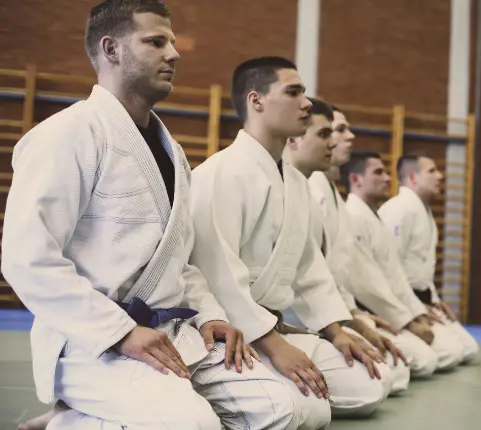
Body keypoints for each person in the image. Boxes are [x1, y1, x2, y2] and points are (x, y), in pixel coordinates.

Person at [2, 2, 299, 429]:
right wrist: (120, 332)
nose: (174, 54)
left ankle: (80, 419)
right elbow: (26, 259)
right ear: (111, 49)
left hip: (173, 336)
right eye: (156, 42)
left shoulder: (171, 152)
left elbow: (181, 263)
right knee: (192, 425)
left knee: (288, 409)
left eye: (173, 43)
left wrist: (210, 315)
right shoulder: (65, 135)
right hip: (94, 344)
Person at [188, 56, 386, 429]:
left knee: (370, 385)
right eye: (293, 92)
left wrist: (334, 329)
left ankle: (260, 389)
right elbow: (215, 272)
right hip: (228, 334)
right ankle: (201, 393)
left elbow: (309, 268)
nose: (307, 103)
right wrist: (273, 346)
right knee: (302, 411)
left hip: (271, 328)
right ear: (256, 100)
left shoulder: (295, 182)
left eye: (304, 93)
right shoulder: (221, 172)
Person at [283, 97, 410, 398]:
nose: (343, 139)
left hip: (319, 317)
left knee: (388, 374)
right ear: (293, 137)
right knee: (377, 381)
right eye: (329, 133)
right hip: (281, 323)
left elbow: (321, 274)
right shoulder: (289, 187)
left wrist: (351, 320)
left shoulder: (309, 191)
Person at [306, 105, 439, 382]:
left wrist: (419, 310)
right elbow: (358, 278)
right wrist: (400, 318)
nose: (348, 137)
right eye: (336, 130)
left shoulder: (334, 198)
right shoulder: (313, 190)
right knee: (395, 372)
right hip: (312, 318)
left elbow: (380, 274)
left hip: (342, 310)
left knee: (404, 367)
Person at [344, 151, 465, 371]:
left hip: (402, 301)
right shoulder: (364, 214)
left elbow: (397, 271)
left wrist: (422, 308)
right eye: (379, 172)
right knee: (435, 357)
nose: (388, 179)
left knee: (460, 349)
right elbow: (367, 283)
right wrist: (407, 318)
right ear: (356, 179)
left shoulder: (373, 215)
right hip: (371, 307)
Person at [378, 153, 479, 363]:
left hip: (422, 299)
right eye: (432, 171)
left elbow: (421, 269)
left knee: (469, 348)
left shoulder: (423, 211)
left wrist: (434, 300)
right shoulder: (398, 209)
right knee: (451, 352)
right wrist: (414, 306)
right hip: (400, 300)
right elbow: (387, 268)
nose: (440, 176)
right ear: (413, 178)